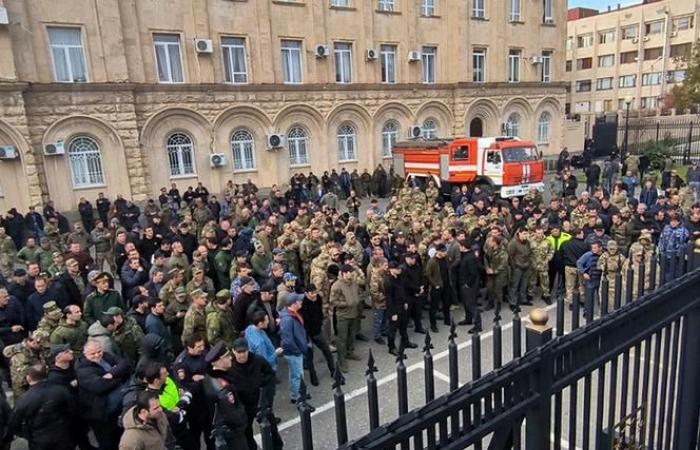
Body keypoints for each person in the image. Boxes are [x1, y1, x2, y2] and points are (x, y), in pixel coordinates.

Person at [5, 363, 77, 450]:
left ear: (28, 377)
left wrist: (23, 434)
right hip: (64, 435)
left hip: (39, 438)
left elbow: (14, 422)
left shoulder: (24, 399)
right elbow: (73, 409)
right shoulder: (62, 390)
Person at [76, 340, 130, 450]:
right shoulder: (83, 370)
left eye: (99, 351)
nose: (97, 355)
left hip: (116, 409)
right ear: (85, 354)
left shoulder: (106, 356)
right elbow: (99, 386)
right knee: (107, 443)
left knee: (120, 436)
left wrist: (111, 374)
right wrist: (119, 377)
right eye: (93, 353)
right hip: (99, 412)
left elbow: (124, 364)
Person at [202, 342, 249, 450]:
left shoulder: (210, 377)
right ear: (216, 362)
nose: (230, 358)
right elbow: (232, 414)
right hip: (233, 434)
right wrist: (243, 421)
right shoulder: (223, 387)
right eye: (226, 356)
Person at [329, 265, 361, 372]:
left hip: (354, 313)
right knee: (341, 339)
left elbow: (358, 293)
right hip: (343, 316)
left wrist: (357, 301)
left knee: (351, 335)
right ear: (344, 273)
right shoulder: (337, 285)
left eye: (352, 272)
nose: (351, 274)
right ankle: (341, 360)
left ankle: (349, 352)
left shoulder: (354, 283)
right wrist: (346, 303)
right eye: (349, 272)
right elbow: (333, 301)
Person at [279, 292, 310, 400]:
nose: (301, 302)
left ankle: (296, 393)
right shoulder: (288, 319)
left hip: (296, 349)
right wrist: (297, 350)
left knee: (295, 373)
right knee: (297, 374)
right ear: (294, 303)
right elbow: (287, 340)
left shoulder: (292, 314)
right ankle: (298, 396)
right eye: (299, 301)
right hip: (294, 352)